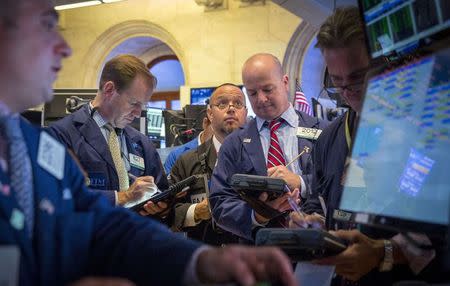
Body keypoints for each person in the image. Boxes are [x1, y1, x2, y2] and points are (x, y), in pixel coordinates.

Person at [0, 1, 298, 285]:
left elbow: (101, 223)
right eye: (46, 25)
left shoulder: (33, 144)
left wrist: (200, 262)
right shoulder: (59, 136)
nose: (64, 48)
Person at [293, 6, 445, 284]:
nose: (348, 92)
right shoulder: (329, 137)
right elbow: (319, 199)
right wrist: (313, 222)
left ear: (386, 61)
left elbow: (435, 232)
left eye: (357, 78)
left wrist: (382, 252)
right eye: (337, 82)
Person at [209, 53, 328, 242]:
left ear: (285, 82)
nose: (261, 99)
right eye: (253, 93)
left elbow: (341, 185)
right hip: (259, 254)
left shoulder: (323, 131)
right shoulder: (234, 143)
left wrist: (301, 182)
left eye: (268, 89)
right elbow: (220, 202)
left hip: (316, 246)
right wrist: (259, 215)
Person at [50, 54, 169, 213]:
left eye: (143, 105)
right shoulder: (61, 134)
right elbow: (55, 196)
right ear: (109, 89)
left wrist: (162, 207)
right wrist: (124, 197)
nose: (139, 113)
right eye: (134, 103)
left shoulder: (141, 142)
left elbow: (162, 195)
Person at [170, 83, 247, 245]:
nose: (231, 108)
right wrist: (196, 212)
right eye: (222, 103)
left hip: (250, 256)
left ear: (245, 113)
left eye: (238, 104)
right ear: (210, 114)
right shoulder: (186, 161)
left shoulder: (261, 157)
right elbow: (167, 212)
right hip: (203, 257)